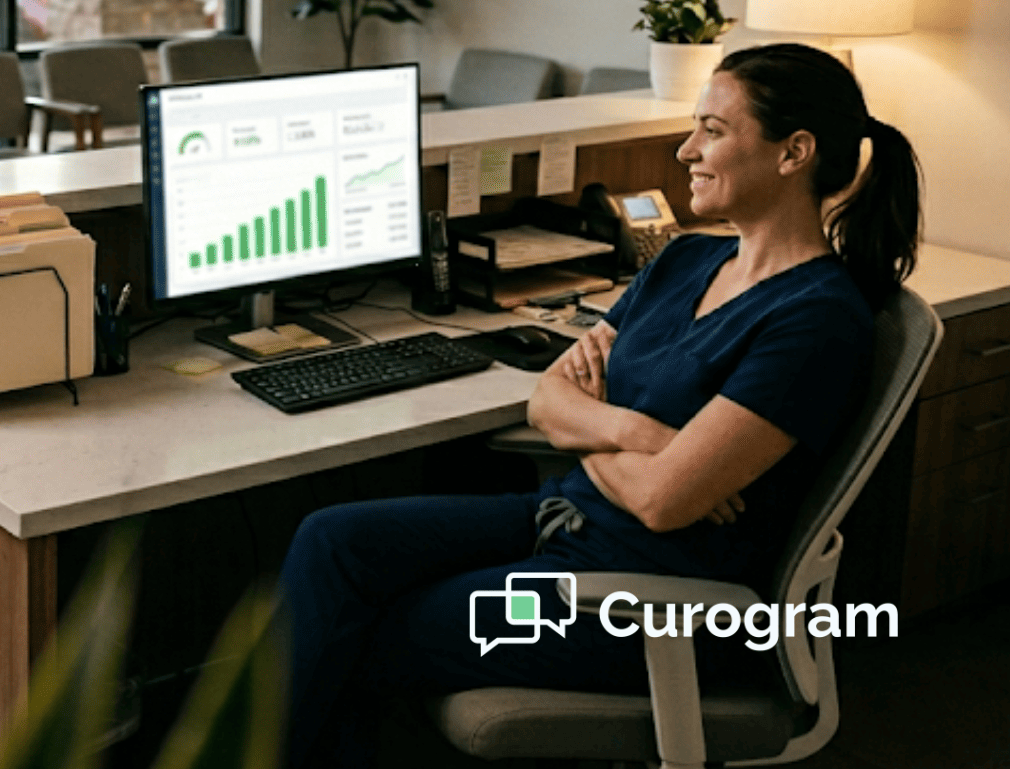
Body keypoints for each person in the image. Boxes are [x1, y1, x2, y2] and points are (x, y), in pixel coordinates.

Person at [278, 43, 922, 768]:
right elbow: (546, 395)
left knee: (374, 627)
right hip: (564, 523)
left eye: (713, 130)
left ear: (793, 151)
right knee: (329, 541)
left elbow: (661, 502)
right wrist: (639, 431)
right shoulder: (685, 259)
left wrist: (592, 430)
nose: (686, 150)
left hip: (642, 599)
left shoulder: (815, 319)